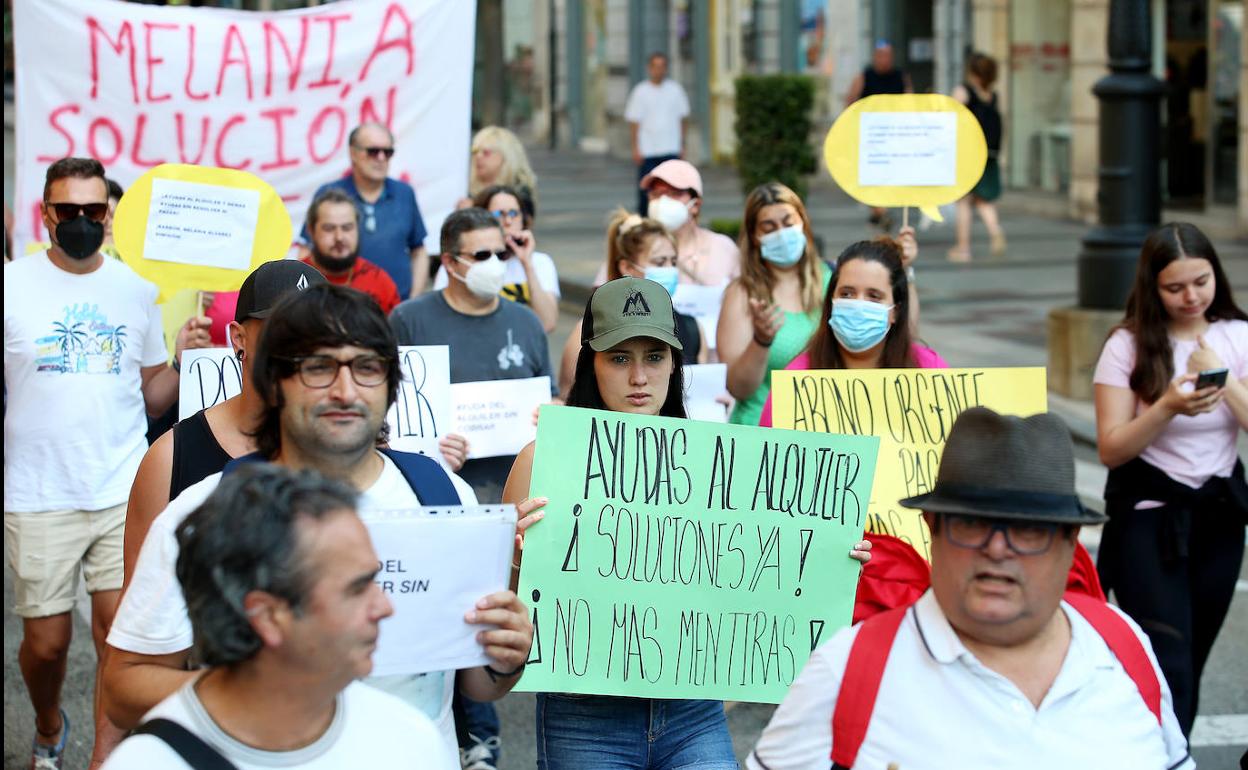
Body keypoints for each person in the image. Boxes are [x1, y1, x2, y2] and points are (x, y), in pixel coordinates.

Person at [101, 284, 531, 768]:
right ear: (273, 382)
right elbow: (123, 688)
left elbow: (477, 683)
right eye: (319, 366)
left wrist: (506, 655)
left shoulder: (446, 496)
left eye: (367, 367)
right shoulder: (203, 515)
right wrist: (260, 688)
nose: (344, 391)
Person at [506, 276, 871, 770]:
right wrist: (513, 557)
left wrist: (828, 561)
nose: (639, 376)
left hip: (691, 711)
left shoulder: (713, 464)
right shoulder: (543, 460)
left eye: (654, 357)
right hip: (585, 714)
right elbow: (505, 613)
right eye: (619, 358)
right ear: (591, 363)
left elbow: (751, 576)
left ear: (675, 364)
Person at [749, 407, 1193, 770]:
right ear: (932, 528)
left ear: (1069, 543)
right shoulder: (846, 669)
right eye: (972, 523)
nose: (997, 549)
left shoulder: (1123, 645)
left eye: (1028, 530)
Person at [4, 157, 212, 769]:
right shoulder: (11, 285)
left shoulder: (135, 290)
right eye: (67, 212)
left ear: (109, 215)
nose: (80, 222)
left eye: (92, 212)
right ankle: (48, 723)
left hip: (120, 487)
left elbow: (150, 397)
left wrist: (179, 360)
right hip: (35, 489)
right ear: (45, 215)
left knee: (117, 634)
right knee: (45, 644)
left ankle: (108, 750)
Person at [101, 466, 452, 769]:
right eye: (357, 589)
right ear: (268, 615)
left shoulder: (408, 738)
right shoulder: (149, 763)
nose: (386, 607)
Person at [1093, 222, 1247, 736]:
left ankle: (1173, 747)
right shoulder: (1127, 345)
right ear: (1152, 288)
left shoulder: (1236, 336)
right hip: (1148, 521)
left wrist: (1220, 377)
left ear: (1216, 277)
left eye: (1200, 282)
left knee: (1194, 656)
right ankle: (1161, 755)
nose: (1190, 297)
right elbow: (1112, 447)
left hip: (1220, 517)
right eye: (1174, 287)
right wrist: (1166, 407)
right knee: (1167, 657)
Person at [123, 260, 328, 583]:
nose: (300, 347)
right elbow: (138, 609)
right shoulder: (172, 457)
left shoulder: (349, 448)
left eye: (316, 332)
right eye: (283, 328)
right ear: (239, 338)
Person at [391, 208, 556, 504]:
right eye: (482, 256)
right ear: (450, 263)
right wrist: (430, 448)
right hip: (438, 495)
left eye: (501, 254)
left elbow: (553, 398)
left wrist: (553, 412)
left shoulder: (527, 322)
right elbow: (389, 415)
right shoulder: (408, 320)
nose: (494, 264)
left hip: (517, 495)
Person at [758, 234, 942, 426]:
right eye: (847, 293)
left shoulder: (929, 369)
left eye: (874, 296)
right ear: (831, 302)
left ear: (895, 310)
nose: (858, 304)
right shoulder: (797, 379)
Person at [561, 210, 708, 396]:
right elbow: (568, 399)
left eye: (673, 262)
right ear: (627, 267)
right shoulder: (588, 331)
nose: (639, 378)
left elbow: (703, 392)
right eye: (660, 262)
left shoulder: (692, 328)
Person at [718, 182, 826, 426]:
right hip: (763, 436)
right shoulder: (742, 294)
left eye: (788, 223)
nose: (782, 233)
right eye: (769, 228)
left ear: (803, 224)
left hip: (823, 433)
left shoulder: (834, 282)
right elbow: (738, 387)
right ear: (755, 237)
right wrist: (761, 340)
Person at [301, 122, 430, 298]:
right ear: (353, 153)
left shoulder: (404, 193)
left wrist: (412, 304)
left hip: (396, 310)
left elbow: (419, 251)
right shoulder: (329, 195)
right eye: (373, 151)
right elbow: (307, 250)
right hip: (337, 307)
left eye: (388, 152)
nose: (381, 158)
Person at [593, 159, 741, 290]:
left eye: (674, 193)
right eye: (656, 193)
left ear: (695, 204)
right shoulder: (634, 245)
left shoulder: (722, 248)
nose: (663, 201)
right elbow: (599, 308)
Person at [436, 185, 560, 332]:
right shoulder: (462, 262)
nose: (508, 221)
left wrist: (527, 264)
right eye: (499, 214)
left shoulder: (540, 262)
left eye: (514, 213)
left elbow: (547, 323)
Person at [845, 41, 913, 230]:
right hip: (871, 135)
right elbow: (851, 101)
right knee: (871, 174)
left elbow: (910, 100)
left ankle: (878, 212)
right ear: (875, 57)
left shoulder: (900, 76)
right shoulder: (864, 76)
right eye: (881, 55)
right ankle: (880, 211)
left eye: (888, 55)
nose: (885, 60)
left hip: (894, 134)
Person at [300, 188, 402, 314]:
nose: (339, 237)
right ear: (311, 231)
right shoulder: (294, 280)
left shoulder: (380, 282)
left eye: (347, 228)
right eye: (329, 228)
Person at [948, 53, 1006, 262]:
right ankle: (995, 229)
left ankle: (963, 248)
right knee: (983, 199)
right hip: (989, 153)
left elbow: (950, 113)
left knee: (963, 201)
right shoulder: (992, 95)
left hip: (968, 153)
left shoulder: (964, 91)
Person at [625, 52, 690, 215]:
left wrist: (682, 144)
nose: (659, 70)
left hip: (670, 148)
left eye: (662, 67)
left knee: (673, 189)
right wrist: (635, 147)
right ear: (649, 68)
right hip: (649, 150)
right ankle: (646, 221)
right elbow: (634, 122)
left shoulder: (675, 90)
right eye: (655, 67)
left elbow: (683, 119)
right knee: (647, 190)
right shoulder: (640, 91)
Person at [467, 126, 538, 202]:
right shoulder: (465, 190)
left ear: (506, 156)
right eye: (475, 152)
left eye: (486, 152)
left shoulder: (520, 193)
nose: (478, 156)